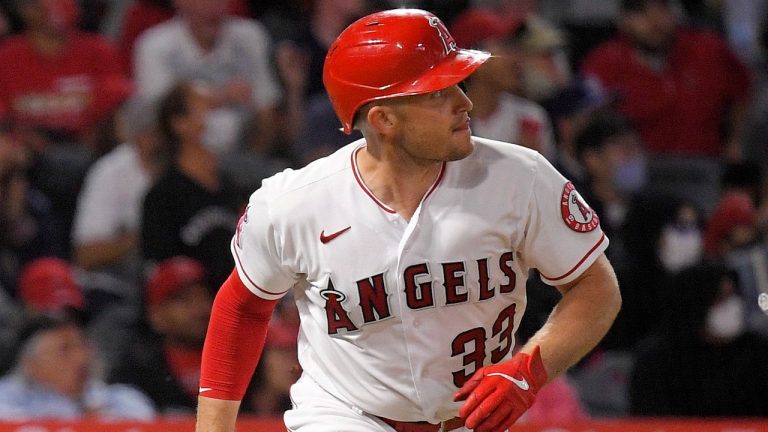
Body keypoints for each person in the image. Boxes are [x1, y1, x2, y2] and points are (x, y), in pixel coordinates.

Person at [196, 9, 621, 432]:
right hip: (345, 416)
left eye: (459, 83)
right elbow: (242, 309)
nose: (464, 102)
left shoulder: (520, 177)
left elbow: (595, 287)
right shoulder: (294, 203)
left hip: (470, 420)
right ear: (384, 120)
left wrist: (528, 369)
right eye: (438, 92)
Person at [580, 0, 751, 160]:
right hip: (639, 170)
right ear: (624, 20)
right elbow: (583, 120)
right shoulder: (604, 63)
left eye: (661, 9)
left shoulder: (708, 49)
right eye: (642, 12)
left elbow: (743, 92)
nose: (654, 22)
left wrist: (735, 139)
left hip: (707, 163)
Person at [0, 313, 156, 420]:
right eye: (65, 348)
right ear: (32, 364)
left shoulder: (122, 399)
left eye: (83, 345)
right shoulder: (7, 398)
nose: (81, 357)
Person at [110, 256, 213, 414]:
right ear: (156, 315)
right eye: (183, 300)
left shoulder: (245, 356)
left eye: (202, 296)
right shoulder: (136, 371)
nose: (199, 309)